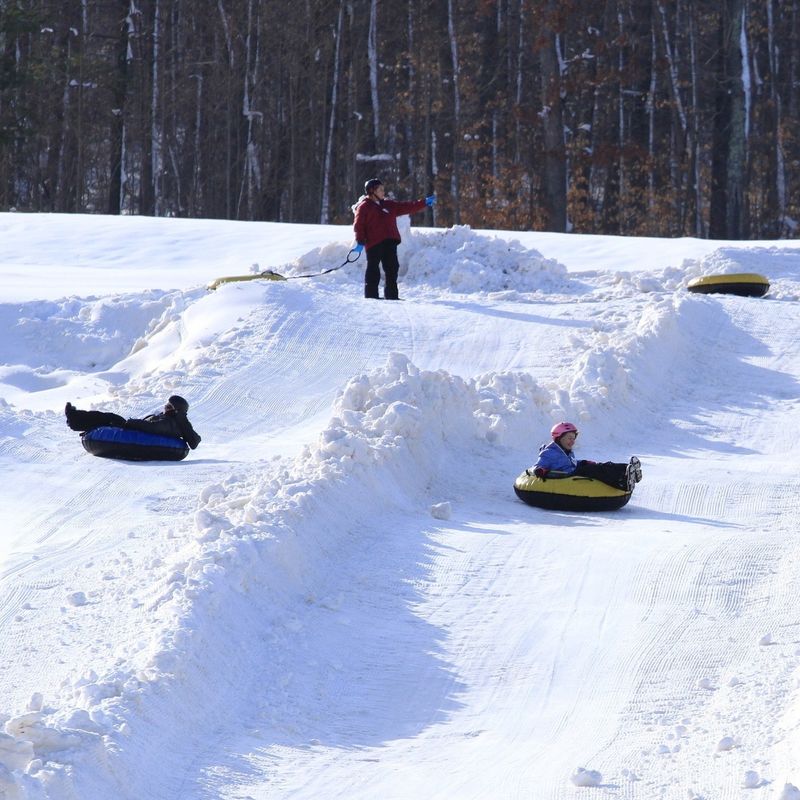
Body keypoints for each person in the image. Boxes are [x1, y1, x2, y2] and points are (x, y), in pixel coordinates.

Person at [352, 178, 435, 300]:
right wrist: (360, 241)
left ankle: (391, 295)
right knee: (373, 268)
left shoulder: (389, 205)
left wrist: (423, 202)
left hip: (390, 242)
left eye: (383, 189)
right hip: (374, 243)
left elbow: (407, 206)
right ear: (371, 191)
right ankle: (371, 295)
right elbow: (358, 225)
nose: (383, 192)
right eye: (380, 190)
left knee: (392, 268)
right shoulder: (364, 207)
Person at [531, 421, 641, 491]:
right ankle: (622, 483)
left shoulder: (566, 451)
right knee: (595, 471)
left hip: (574, 470)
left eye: (574, 438)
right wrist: (541, 471)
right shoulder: (549, 453)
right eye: (570, 438)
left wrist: (582, 462)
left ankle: (628, 469)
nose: (573, 441)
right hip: (567, 477)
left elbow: (570, 463)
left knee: (602, 465)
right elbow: (538, 466)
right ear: (559, 438)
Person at [65, 394, 202, 450]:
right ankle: (75, 418)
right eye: (166, 404)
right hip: (137, 430)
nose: (166, 407)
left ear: (177, 411)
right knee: (109, 418)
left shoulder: (171, 422)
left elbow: (153, 428)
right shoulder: (170, 419)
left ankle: (74, 419)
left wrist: (132, 423)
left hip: (136, 431)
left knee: (110, 418)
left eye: (170, 406)